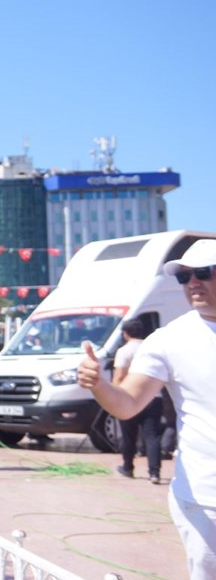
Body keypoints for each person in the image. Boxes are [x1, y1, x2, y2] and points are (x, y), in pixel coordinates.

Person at [79, 238, 216, 578]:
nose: (193, 283)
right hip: (205, 496)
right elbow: (127, 404)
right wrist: (98, 384)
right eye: (184, 277)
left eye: (203, 272)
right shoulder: (169, 339)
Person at [112, 320, 163, 484]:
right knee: (152, 436)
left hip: (130, 397)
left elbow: (119, 377)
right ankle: (154, 473)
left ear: (125, 334)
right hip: (154, 398)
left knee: (129, 436)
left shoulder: (124, 351)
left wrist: (113, 398)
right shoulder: (153, 348)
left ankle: (128, 467)